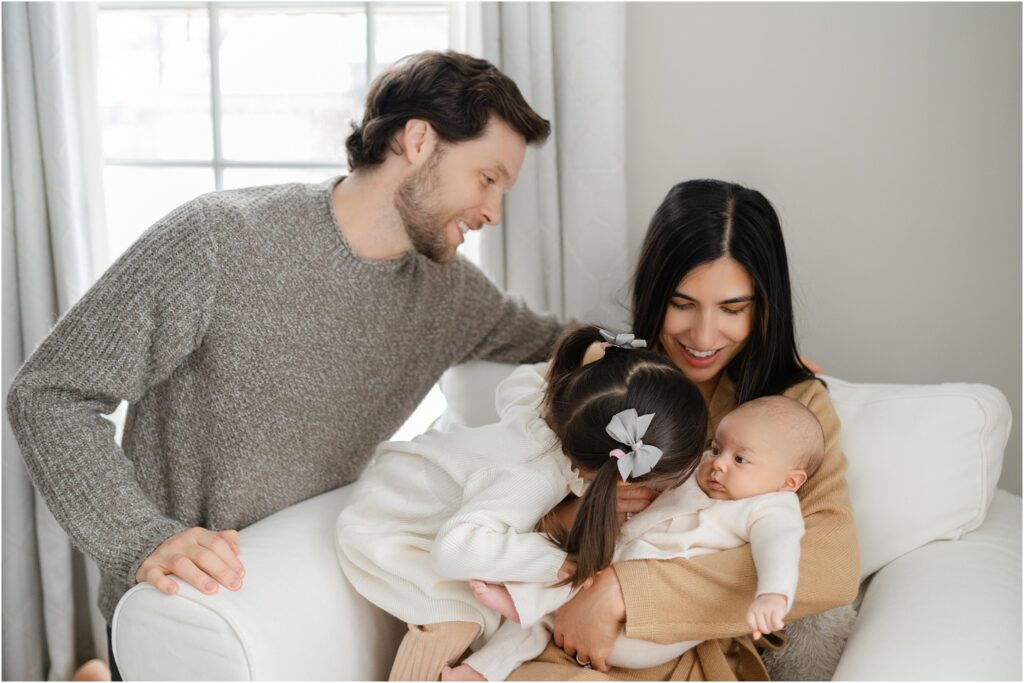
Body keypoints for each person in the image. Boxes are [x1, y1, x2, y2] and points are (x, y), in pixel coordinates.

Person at [5, 50, 567, 679]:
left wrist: (679, 329)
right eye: (487, 178)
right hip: (186, 608)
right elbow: (49, 392)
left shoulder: (448, 294)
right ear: (418, 140)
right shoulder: (220, 239)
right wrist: (140, 537)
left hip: (304, 583)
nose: (493, 211)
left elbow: (556, 342)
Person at [509, 179, 861, 681]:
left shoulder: (795, 405)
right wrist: (574, 514)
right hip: (545, 620)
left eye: (733, 309)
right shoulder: (604, 372)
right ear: (653, 292)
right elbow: (503, 496)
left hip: (675, 652)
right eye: (682, 303)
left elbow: (830, 566)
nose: (702, 336)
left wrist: (624, 591)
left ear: (764, 307)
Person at [335, 325, 710, 681]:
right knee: (459, 617)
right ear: (625, 479)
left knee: (496, 605)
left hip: (406, 480)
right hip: (391, 523)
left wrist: (588, 362)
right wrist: (553, 560)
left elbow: (520, 380)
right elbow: (452, 549)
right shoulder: (532, 479)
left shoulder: (549, 408)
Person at [445, 394, 825, 682]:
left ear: (789, 482)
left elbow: (780, 548)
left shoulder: (772, 508)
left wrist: (773, 594)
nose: (719, 463)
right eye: (716, 448)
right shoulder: (701, 477)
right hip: (598, 594)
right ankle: (477, 672)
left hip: (648, 630)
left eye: (740, 459)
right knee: (538, 617)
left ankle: (523, 601)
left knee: (556, 595)